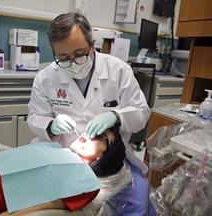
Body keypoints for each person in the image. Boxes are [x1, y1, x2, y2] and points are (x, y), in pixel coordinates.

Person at [27, 12, 154, 215]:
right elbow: (34, 117)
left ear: (92, 44)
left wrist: (116, 116)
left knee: (141, 205)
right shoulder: (46, 78)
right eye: (64, 57)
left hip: (110, 163)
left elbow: (141, 112)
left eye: (79, 53)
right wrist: (50, 125)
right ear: (54, 53)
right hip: (60, 156)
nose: (73, 62)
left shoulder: (118, 71)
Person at [0, 127, 126, 216]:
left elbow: (44, 206)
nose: (89, 135)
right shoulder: (55, 148)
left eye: (101, 137)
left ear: (103, 157)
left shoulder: (86, 182)